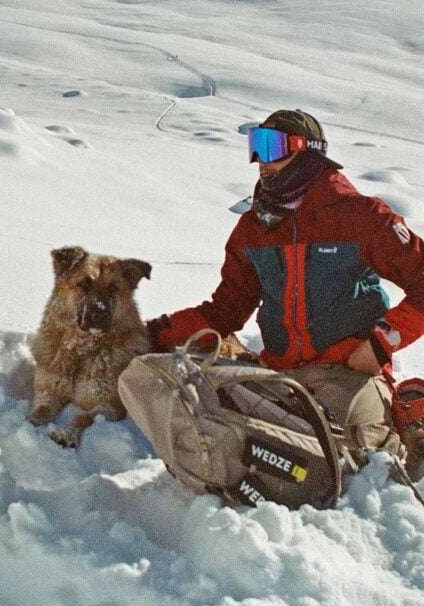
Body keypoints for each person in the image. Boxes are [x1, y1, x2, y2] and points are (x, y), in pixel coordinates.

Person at [147, 109, 424, 460]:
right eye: (256, 146)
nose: (261, 161)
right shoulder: (253, 229)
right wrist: (156, 331)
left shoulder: (359, 216)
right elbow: (224, 312)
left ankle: (404, 416)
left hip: (346, 373)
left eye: (272, 147)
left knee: (349, 457)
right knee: (219, 432)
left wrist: (381, 344)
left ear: (308, 152)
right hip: (281, 376)